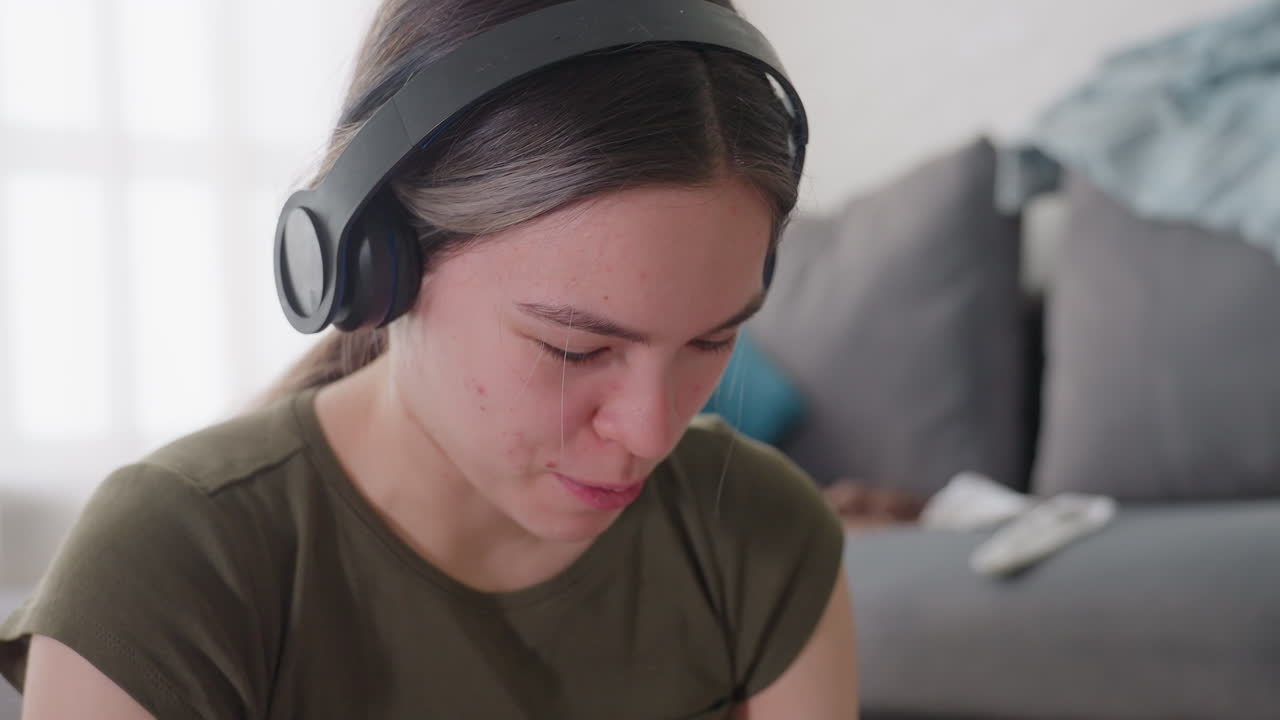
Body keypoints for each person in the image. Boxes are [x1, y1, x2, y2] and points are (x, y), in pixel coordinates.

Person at [0, 0, 856, 717]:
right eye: (575, 348)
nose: (649, 429)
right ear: (376, 267)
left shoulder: (759, 534)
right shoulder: (170, 567)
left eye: (713, 339)